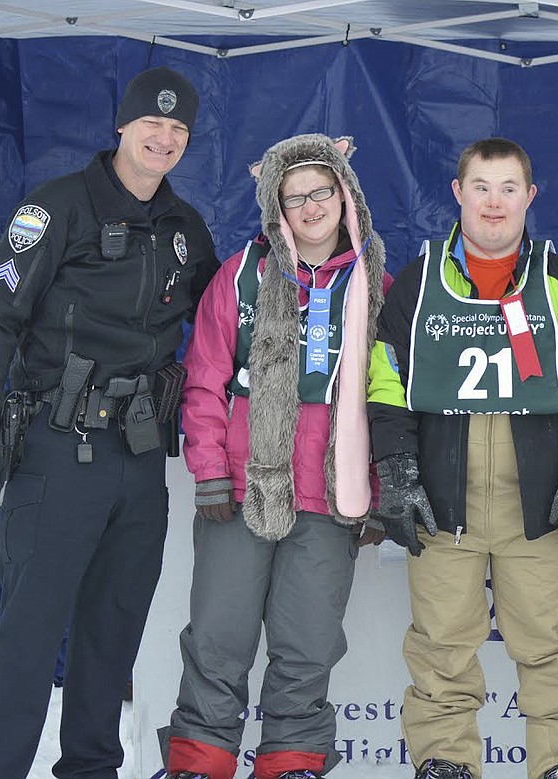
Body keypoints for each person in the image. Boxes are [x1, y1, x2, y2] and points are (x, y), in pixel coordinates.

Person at [0, 67, 218, 779]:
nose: (163, 139)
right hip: (56, 451)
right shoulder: (55, 209)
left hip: (139, 461)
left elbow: (230, 317)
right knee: (28, 639)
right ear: (122, 127)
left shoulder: (185, 228)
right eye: (151, 124)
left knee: (111, 637)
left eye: (178, 130)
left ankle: (91, 770)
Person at [367, 137, 558, 779]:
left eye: (509, 188)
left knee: (549, 639)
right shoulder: (420, 282)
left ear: (531, 197)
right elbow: (385, 374)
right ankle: (445, 761)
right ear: (458, 193)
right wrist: (396, 469)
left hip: (535, 495)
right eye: (482, 186)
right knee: (442, 642)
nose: (495, 203)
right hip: (443, 497)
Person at [162, 134, 391, 779]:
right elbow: (204, 376)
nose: (312, 207)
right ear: (276, 209)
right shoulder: (242, 275)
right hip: (244, 489)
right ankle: (199, 762)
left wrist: (375, 488)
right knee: (218, 638)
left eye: (323, 192)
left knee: (308, 644)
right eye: (296, 198)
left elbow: (388, 399)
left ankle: (291, 761)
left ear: (346, 197)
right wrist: (209, 470)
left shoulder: (375, 287)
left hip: (327, 494)